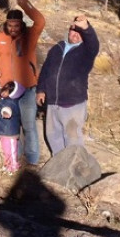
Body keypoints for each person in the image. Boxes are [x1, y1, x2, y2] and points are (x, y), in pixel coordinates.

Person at [0, 0, 46, 165]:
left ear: (22, 24)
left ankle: (32, 161)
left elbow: (40, 21)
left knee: (29, 126)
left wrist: (25, 5)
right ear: (6, 25)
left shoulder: (30, 36)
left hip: (28, 89)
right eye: (10, 25)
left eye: (16, 25)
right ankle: (17, 159)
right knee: (13, 127)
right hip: (8, 91)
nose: (13, 29)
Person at [36, 14, 100, 154]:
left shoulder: (86, 51)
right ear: (68, 31)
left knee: (73, 140)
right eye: (73, 31)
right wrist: (40, 90)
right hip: (52, 103)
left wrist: (86, 28)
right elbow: (45, 70)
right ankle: (60, 169)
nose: (76, 35)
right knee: (53, 137)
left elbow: (94, 43)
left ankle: (75, 170)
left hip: (73, 104)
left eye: (79, 33)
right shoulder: (56, 48)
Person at [0, 81, 24, 173]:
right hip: (4, 130)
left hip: (10, 131)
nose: (3, 92)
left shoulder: (11, 101)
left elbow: (8, 108)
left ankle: (14, 166)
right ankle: (8, 165)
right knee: (6, 149)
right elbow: (0, 106)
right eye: (3, 90)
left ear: (12, 94)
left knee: (12, 150)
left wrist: (6, 112)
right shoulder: (4, 100)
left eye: (6, 91)